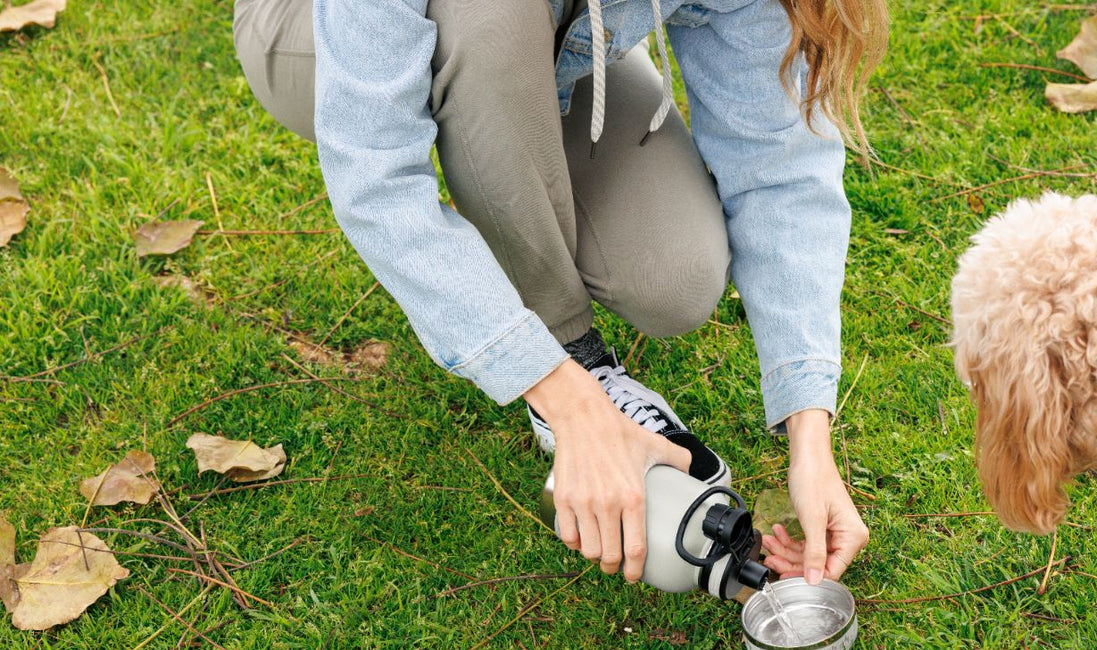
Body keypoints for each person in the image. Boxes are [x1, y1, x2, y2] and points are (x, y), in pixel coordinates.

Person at [232, 0, 883, 587]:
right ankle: (573, 356)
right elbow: (374, 174)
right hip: (314, 36)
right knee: (490, 15)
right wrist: (571, 397)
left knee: (672, 278)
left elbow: (776, 164)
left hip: (555, 39)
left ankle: (502, 107)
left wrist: (809, 436)